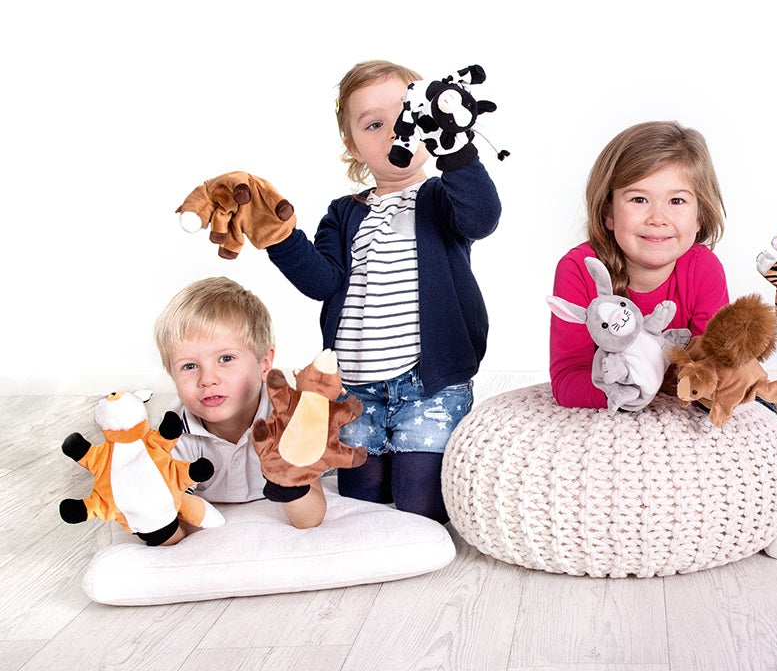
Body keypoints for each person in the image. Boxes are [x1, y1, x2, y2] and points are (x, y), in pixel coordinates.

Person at [263, 59, 501, 523]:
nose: (395, 132)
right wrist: (280, 238)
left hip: (428, 386)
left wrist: (456, 151)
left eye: (406, 115)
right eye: (374, 125)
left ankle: (415, 469)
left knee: (420, 506)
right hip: (356, 388)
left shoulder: (441, 197)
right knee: (360, 501)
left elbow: (482, 217)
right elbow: (322, 281)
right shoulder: (343, 212)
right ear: (352, 147)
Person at [550, 120, 730, 408]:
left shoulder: (704, 269)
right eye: (638, 199)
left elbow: (713, 371)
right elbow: (568, 380)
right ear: (608, 212)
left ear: (700, 216)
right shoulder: (580, 269)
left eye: (676, 201)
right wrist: (633, 390)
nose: (657, 218)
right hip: (615, 407)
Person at [154, 276, 327, 537]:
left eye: (226, 358)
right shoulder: (173, 433)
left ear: (264, 364)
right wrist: (151, 522)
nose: (207, 379)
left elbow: (311, 517)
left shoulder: (287, 418)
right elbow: (174, 526)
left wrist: (288, 481)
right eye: (189, 366)